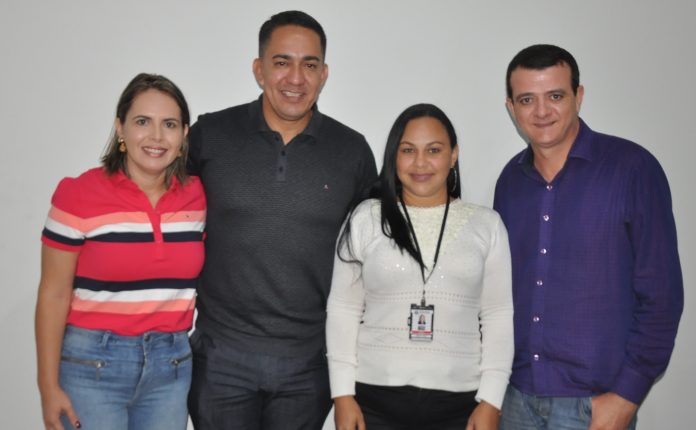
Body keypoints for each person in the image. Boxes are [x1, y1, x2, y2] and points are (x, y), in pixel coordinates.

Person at [186, 10, 377, 430]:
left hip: (308, 363)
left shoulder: (352, 151)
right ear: (259, 69)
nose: (296, 78)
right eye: (281, 62)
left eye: (309, 65)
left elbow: (374, 253)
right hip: (221, 358)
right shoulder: (209, 135)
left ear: (324, 73)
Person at [494, 44, 684, 430]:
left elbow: (662, 295)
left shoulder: (632, 169)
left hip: (593, 405)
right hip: (515, 399)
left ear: (578, 96)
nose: (542, 111)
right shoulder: (510, 181)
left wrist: (626, 397)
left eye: (555, 96)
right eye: (527, 99)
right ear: (511, 107)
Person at [327, 103, 513, 430]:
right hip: (373, 401)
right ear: (394, 157)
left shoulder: (487, 225)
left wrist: (491, 400)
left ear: (453, 155)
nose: (421, 162)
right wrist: (342, 395)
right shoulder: (366, 218)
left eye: (434, 150)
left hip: (461, 405)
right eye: (408, 150)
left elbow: (497, 315)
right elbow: (343, 309)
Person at [35, 73, 206, 430]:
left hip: (171, 368)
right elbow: (53, 294)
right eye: (142, 122)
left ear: (184, 134)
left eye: (169, 124)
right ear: (120, 128)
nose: (156, 136)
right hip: (92, 367)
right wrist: (47, 386)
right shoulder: (78, 194)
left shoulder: (198, 196)